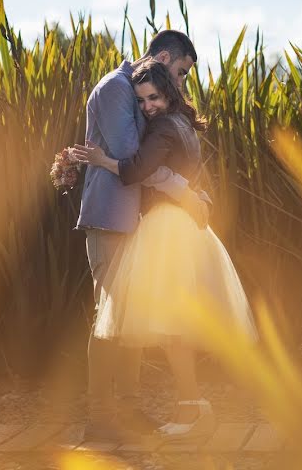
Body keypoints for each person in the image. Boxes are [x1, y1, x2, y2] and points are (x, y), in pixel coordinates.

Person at [72, 59, 256, 442]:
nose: (146, 107)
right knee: (161, 321)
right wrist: (191, 192)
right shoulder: (176, 120)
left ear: (168, 92)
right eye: (141, 101)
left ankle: (183, 407)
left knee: (166, 323)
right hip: (157, 223)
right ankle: (180, 406)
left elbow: (135, 167)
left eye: (153, 97)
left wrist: (103, 160)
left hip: (164, 227)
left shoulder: (162, 127)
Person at [74, 30, 211, 441]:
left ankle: (129, 413)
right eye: (182, 72)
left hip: (135, 222)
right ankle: (100, 420)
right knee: (108, 320)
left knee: (129, 321)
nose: (181, 82)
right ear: (165, 58)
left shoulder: (136, 88)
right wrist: (186, 193)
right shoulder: (116, 89)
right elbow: (135, 161)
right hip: (112, 219)